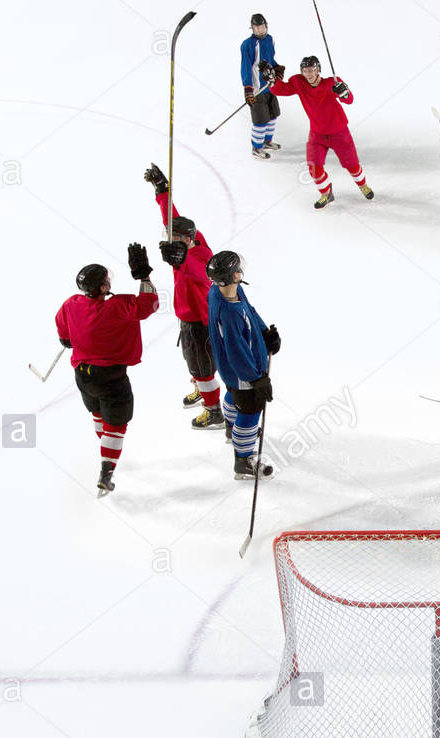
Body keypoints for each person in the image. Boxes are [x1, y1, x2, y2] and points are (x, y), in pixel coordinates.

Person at [54, 246, 160, 496]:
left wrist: (66, 338)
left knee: (98, 413)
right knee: (117, 423)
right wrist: (144, 276)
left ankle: (105, 448)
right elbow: (150, 304)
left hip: (82, 375)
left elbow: (62, 326)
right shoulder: (117, 306)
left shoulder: (71, 304)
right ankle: (106, 470)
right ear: (102, 288)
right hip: (110, 376)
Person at [143, 163, 223, 430]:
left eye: (175, 239)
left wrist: (182, 259)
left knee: (202, 367)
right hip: (187, 318)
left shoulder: (200, 256)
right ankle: (202, 387)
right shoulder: (192, 236)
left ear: (187, 240)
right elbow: (171, 218)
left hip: (199, 322)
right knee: (194, 363)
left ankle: (213, 411)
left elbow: (198, 271)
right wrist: (162, 191)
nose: (170, 240)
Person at [207, 251, 279, 480]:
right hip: (242, 372)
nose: (241, 271)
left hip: (233, 372)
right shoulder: (229, 314)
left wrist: (264, 330)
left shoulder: (225, 291)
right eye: (238, 268)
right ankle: (243, 459)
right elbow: (237, 353)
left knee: (233, 394)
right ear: (233, 274)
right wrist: (256, 379)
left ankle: (230, 425)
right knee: (250, 408)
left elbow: (250, 309)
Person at [270, 55, 373, 209]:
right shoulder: (299, 82)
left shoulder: (332, 82)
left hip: (339, 131)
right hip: (317, 133)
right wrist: (271, 80)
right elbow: (280, 90)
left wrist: (344, 92)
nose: (309, 74)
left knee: (352, 164)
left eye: (312, 70)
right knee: (314, 168)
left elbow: (349, 100)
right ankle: (326, 193)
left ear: (318, 69)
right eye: (305, 71)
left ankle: (363, 185)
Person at [241, 13, 282, 159]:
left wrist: (276, 69)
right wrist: (248, 89)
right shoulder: (248, 45)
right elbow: (246, 67)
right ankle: (256, 149)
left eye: (262, 26)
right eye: (256, 27)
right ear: (252, 28)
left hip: (270, 85)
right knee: (260, 120)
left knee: (272, 115)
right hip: (257, 89)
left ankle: (266, 142)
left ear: (266, 25)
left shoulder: (270, 39)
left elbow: (271, 59)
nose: (259, 30)